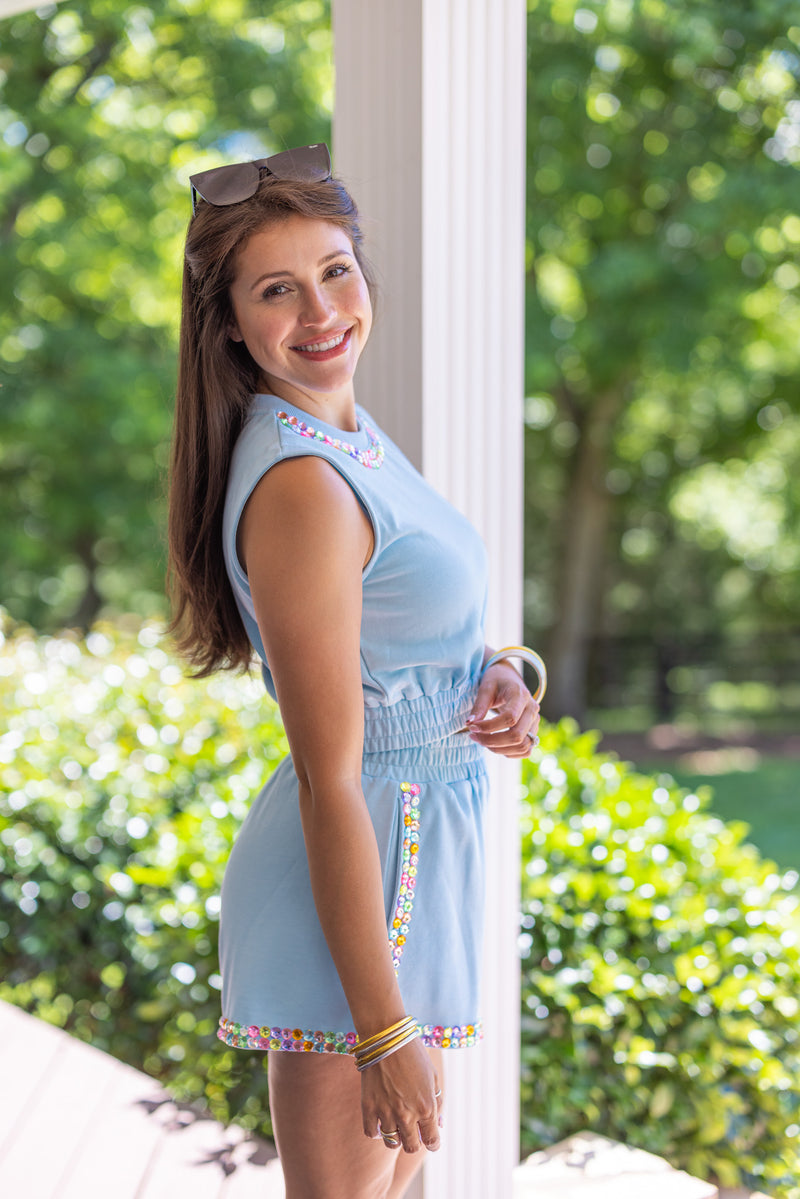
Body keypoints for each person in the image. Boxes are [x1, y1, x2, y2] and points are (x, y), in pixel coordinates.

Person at [167, 143, 540, 1199]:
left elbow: (414, 627)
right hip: (362, 887)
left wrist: (511, 671)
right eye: (275, 289)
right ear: (231, 324)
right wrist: (380, 1026)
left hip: (407, 863)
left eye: (335, 270)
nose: (320, 309)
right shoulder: (301, 484)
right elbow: (330, 769)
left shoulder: (345, 435)